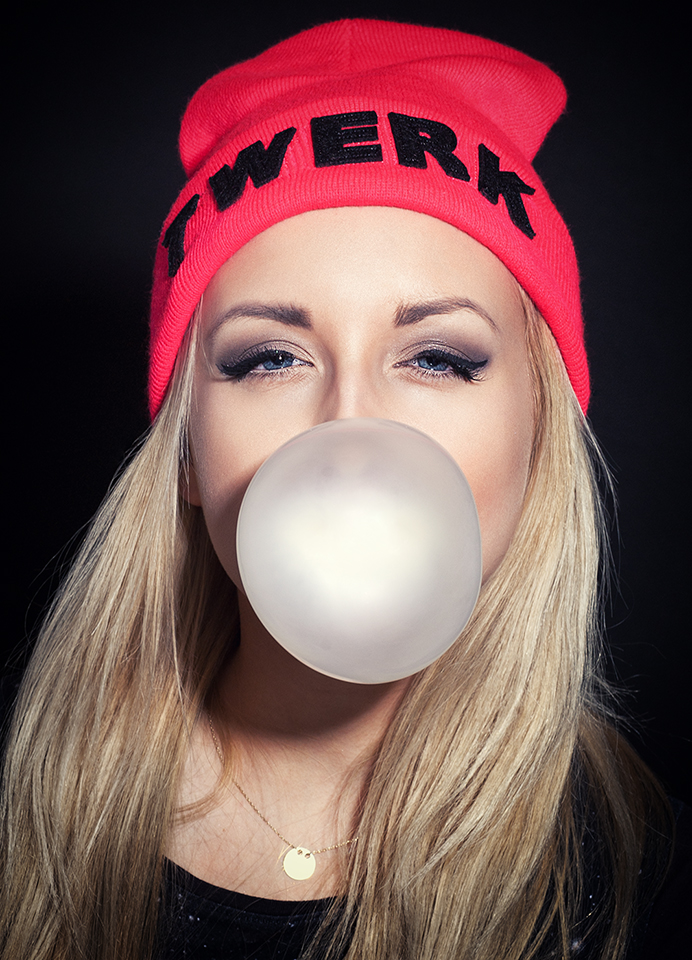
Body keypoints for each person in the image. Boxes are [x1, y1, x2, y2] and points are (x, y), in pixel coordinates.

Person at [1, 18, 687, 960]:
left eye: (438, 358)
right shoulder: (21, 813)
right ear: (187, 453)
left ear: (539, 432)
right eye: (269, 358)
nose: (349, 431)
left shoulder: (646, 884)